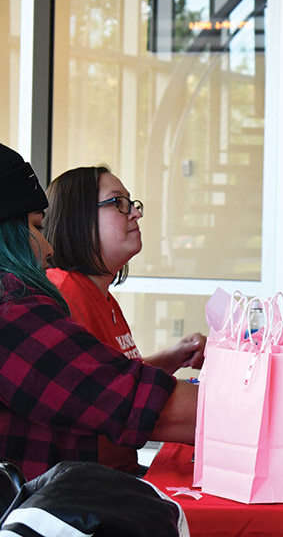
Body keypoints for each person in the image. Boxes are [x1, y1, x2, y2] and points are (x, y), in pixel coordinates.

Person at [0, 143, 197, 481]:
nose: (47, 247)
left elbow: (106, 379)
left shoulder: (100, 299)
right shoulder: (23, 307)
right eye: (36, 228)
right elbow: (123, 398)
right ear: (79, 220)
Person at [42, 165, 206, 474]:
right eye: (118, 203)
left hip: (122, 474)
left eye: (132, 203)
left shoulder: (102, 295)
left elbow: (118, 379)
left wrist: (173, 356)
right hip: (91, 488)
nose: (135, 214)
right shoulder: (63, 295)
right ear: (79, 218)